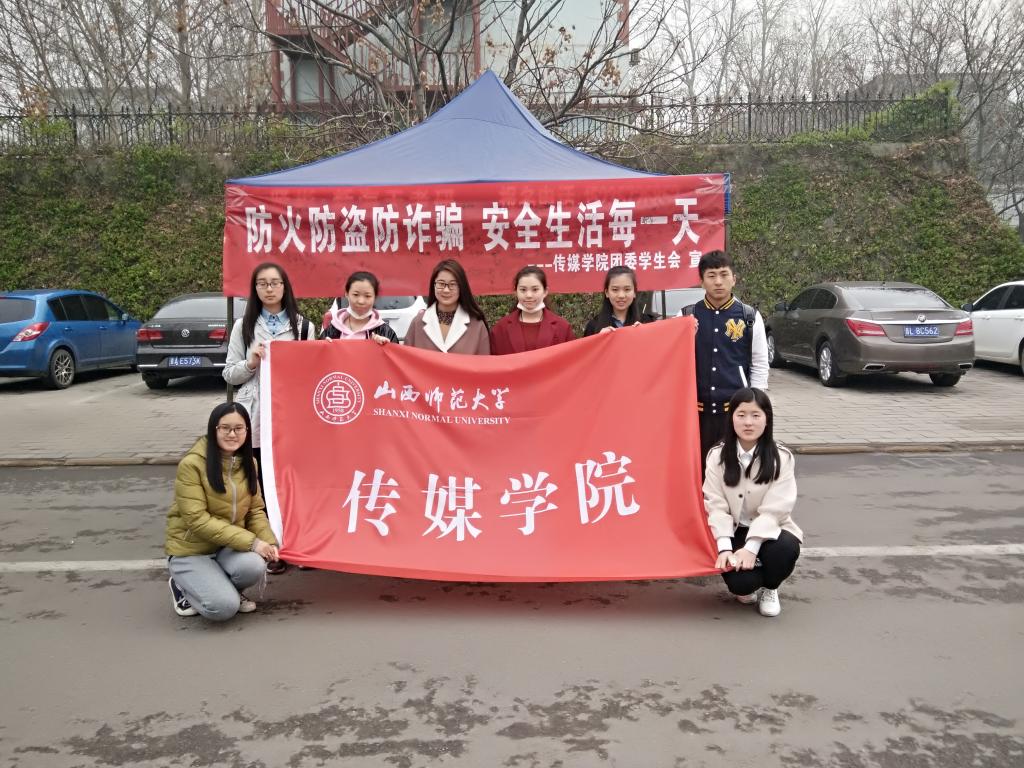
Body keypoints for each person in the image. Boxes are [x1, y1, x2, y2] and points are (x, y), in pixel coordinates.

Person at [223, 262, 316, 574]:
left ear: (285, 287)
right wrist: (250, 363)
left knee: (293, 484)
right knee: (261, 485)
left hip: (292, 419)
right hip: (256, 417)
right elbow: (228, 374)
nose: (269, 289)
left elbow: (312, 373)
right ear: (255, 289)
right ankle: (271, 547)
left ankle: (299, 544)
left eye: (275, 283)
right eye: (262, 284)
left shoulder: (304, 327)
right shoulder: (243, 327)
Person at [165, 402, 280, 621]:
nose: (232, 434)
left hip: (226, 548)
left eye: (238, 428)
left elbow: (255, 510)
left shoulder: (249, 463)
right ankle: (181, 585)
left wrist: (268, 542)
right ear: (213, 429)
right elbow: (197, 519)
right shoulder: (191, 465)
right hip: (191, 550)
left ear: (247, 431)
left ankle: (221, 586)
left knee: (255, 565)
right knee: (223, 608)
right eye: (225, 428)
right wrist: (253, 543)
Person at [703, 388, 802, 617]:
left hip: (770, 529)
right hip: (734, 530)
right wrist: (725, 548)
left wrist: (751, 548)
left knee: (785, 549)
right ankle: (749, 584)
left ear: (767, 419)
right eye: (741, 415)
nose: (748, 422)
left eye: (756, 415)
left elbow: (775, 509)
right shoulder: (717, 456)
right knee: (742, 584)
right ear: (731, 419)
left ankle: (771, 587)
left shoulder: (781, 458)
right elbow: (716, 505)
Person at [682, 251, 768, 473]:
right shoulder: (687, 316)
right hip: (696, 414)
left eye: (723, 274)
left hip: (735, 412)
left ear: (734, 279)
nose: (718, 282)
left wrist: (756, 404)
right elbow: (668, 355)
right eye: (711, 276)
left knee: (733, 470)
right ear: (701, 281)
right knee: (698, 470)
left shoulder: (749, 317)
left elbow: (759, 363)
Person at [405, 259, 490, 354]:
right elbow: (405, 358)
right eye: (441, 284)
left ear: (461, 287)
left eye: (452, 284)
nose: (446, 290)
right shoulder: (417, 323)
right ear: (434, 285)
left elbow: (485, 362)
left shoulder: (477, 325)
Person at [489, 266, 575, 354]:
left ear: (545, 291)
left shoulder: (563, 328)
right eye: (523, 290)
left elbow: (571, 358)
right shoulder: (500, 329)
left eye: (535, 289)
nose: (529, 295)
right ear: (516, 291)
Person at [321, 271, 400, 344]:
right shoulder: (332, 331)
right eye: (356, 294)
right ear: (347, 294)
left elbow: (395, 354)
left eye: (367, 296)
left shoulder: (386, 333)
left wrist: (386, 347)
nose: (361, 301)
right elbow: (318, 353)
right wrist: (324, 346)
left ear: (375, 297)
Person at [583, 266, 657, 336]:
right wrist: (599, 339)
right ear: (607, 293)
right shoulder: (593, 326)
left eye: (627, 289)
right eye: (615, 290)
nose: (621, 295)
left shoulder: (647, 323)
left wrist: (645, 335)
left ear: (634, 292)